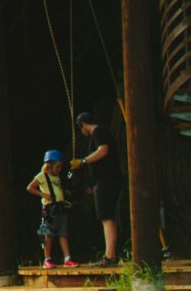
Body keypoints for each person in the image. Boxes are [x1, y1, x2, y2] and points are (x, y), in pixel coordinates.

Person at [68, 111, 121, 265]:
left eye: (81, 129)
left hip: (107, 181)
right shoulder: (100, 132)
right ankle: (111, 254)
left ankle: (110, 257)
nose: (82, 132)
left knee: (106, 217)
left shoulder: (98, 132)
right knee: (108, 217)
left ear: (83, 125)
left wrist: (83, 161)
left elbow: (103, 150)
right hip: (106, 181)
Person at [28, 149, 80, 268]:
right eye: (57, 167)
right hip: (49, 210)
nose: (59, 170)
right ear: (49, 165)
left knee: (63, 233)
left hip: (60, 208)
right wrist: (43, 195)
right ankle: (47, 259)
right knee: (48, 234)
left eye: (60, 167)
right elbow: (30, 187)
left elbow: (57, 189)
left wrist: (63, 192)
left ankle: (67, 258)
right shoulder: (42, 176)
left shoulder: (57, 177)